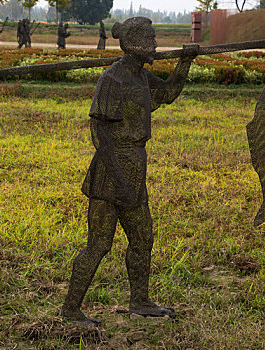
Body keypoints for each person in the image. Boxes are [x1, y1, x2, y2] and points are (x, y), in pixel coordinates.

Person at [61, 16, 198, 327]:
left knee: (142, 237)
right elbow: (99, 133)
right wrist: (119, 180)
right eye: (151, 39)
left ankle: (139, 300)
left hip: (134, 167)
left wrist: (185, 62)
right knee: (98, 244)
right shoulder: (113, 80)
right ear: (136, 44)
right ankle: (70, 309)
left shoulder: (141, 77)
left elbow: (166, 94)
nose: (156, 45)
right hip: (111, 172)